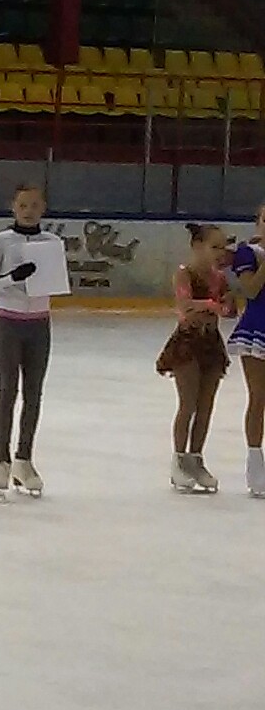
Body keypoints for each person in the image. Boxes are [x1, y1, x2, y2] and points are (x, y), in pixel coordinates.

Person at [0, 184, 62, 498]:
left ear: (44, 208)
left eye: (35, 205)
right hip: (8, 321)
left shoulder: (52, 242)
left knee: (33, 392)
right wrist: (13, 277)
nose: (29, 211)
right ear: (13, 207)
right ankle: (1, 459)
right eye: (23, 205)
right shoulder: (3, 240)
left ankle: (24, 459)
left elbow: (57, 280)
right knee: (7, 390)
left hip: (39, 323)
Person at [158, 223, 233, 493]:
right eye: (215, 247)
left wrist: (222, 305)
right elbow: (185, 307)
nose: (220, 252)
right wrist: (212, 305)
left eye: (223, 247)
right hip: (188, 343)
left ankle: (196, 459)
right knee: (188, 404)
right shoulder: (184, 274)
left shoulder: (220, 278)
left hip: (211, 344)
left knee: (205, 406)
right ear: (197, 246)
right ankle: (179, 460)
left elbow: (230, 309)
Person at [227, 203, 265, 498]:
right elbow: (251, 289)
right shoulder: (247, 253)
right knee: (259, 397)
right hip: (257, 329)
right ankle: (255, 464)